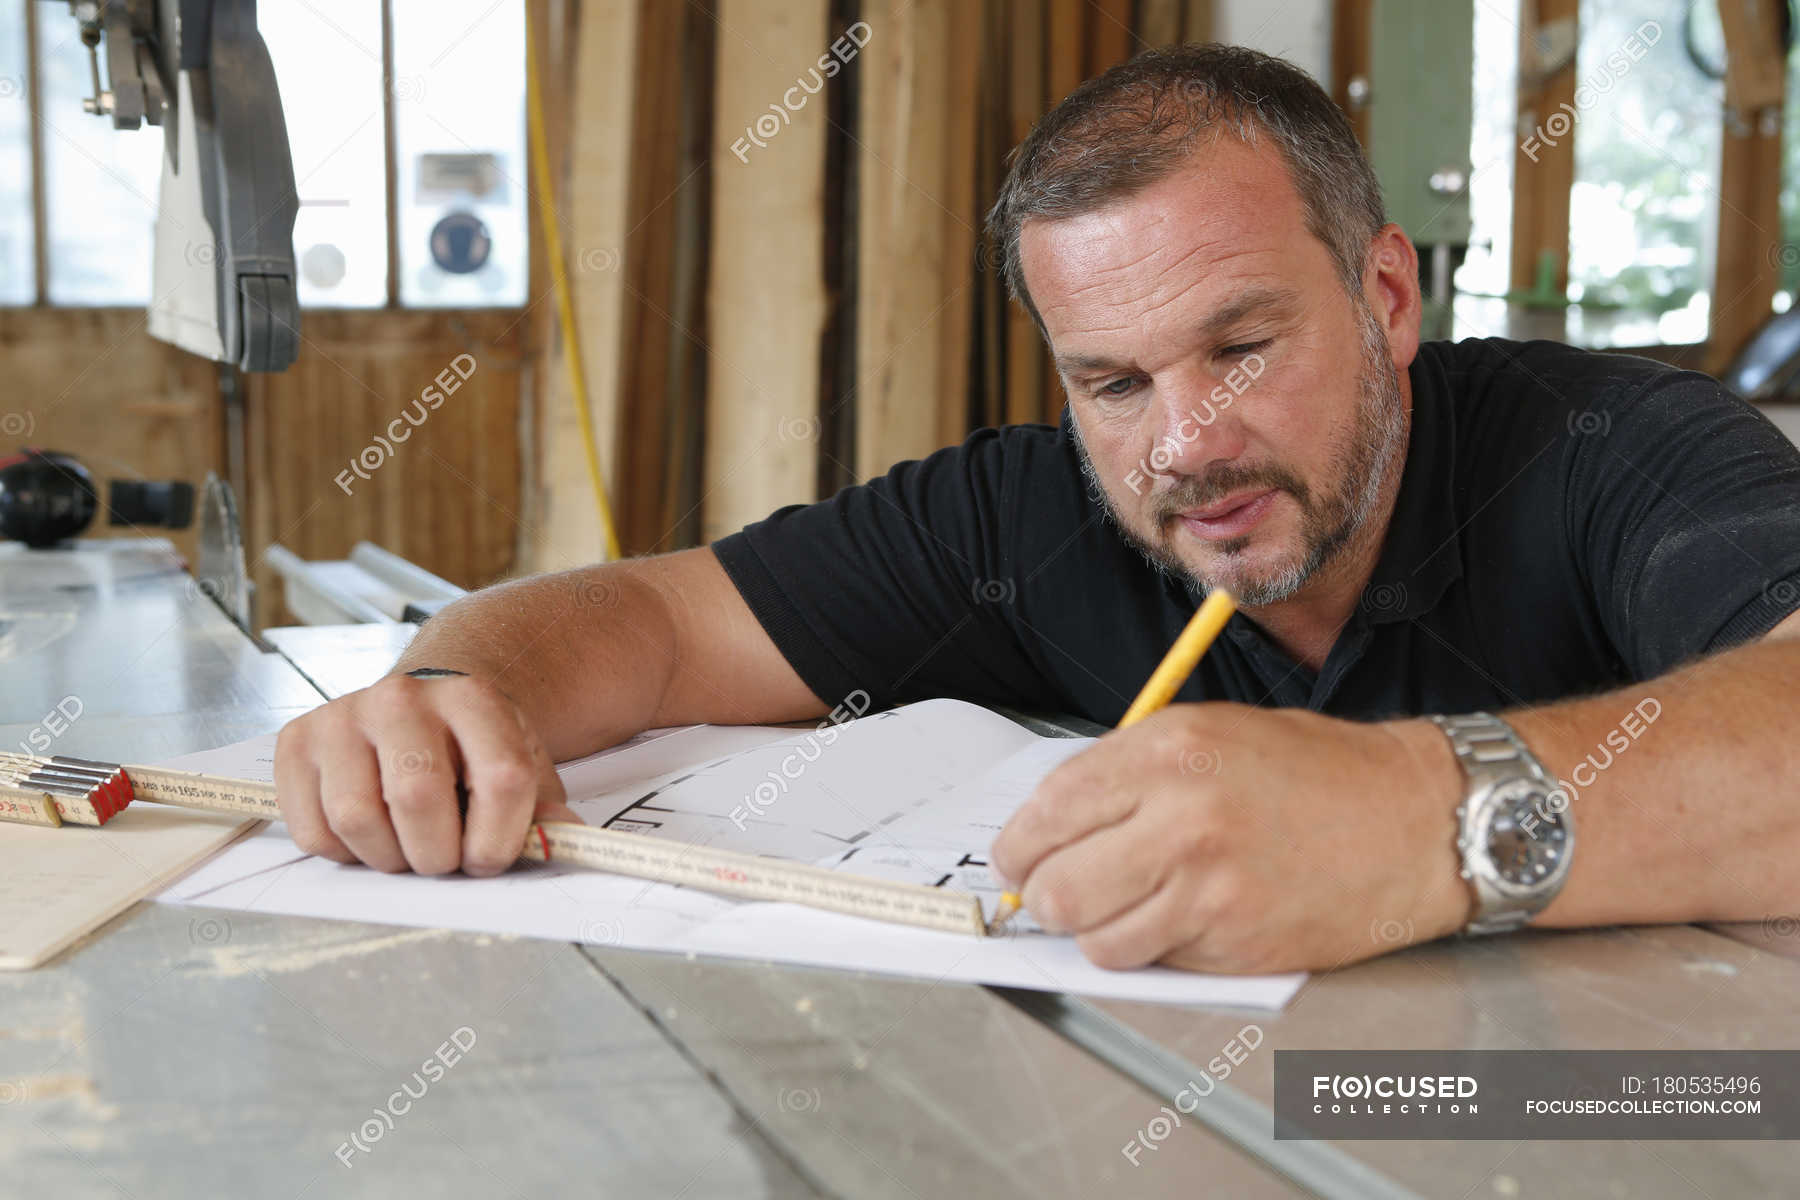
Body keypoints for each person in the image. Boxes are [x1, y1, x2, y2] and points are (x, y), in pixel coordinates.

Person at [273, 45, 1800, 975]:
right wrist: (456, 688)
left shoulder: (1615, 449)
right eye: (1115, 380)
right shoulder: (1026, 513)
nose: (1188, 446)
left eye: (1243, 347)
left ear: (1386, 293)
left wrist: (1415, 823)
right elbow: (662, 626)